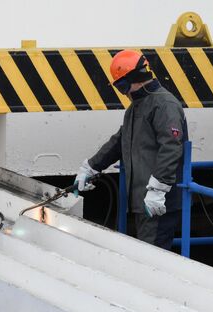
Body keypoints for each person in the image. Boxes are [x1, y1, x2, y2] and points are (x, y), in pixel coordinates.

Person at [74, 49, 186, 250]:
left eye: (122, 86)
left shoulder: (164, 104)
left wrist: (158, 190)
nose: (123, 92)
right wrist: (90, 167)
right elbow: (120, 141)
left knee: (153, 258)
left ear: (135, 78)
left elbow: (171, 148)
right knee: (146, 252)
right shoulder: (137, 107)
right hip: (143, 199)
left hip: (158, 202)